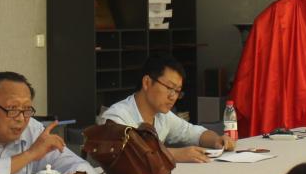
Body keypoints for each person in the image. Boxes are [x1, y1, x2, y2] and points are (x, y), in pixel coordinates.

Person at [100, 55, 234, 163]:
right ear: (147, 82)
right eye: (169, 88)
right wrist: (175, 154)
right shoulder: (117, 116)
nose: (173, 97)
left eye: (177, 91)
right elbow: (128, 155)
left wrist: (216, 140)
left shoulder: (163, 116)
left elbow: (193, 133)